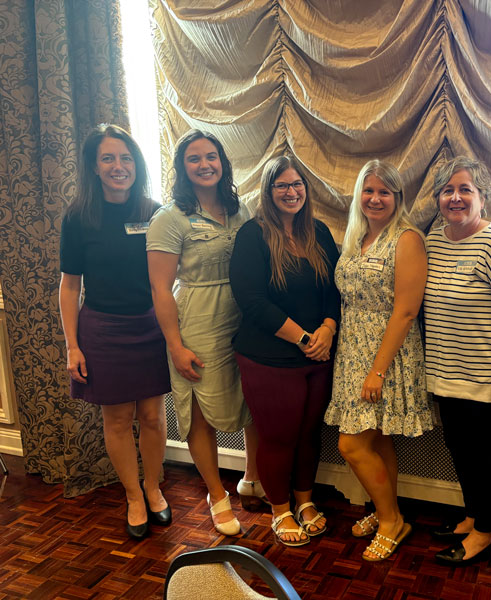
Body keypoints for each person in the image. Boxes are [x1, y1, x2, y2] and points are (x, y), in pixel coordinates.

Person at [59, 124, 172, 540]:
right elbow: (70, 287)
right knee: (120, 420)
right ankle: (133, 497)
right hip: (103, 330)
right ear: (94, 166)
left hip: (149, 325)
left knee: (153, 418)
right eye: (108, 158)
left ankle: (155, 488)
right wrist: (72, 346)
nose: (118, 166)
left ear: (136, 164)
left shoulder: (153, 211)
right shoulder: (78, 217)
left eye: (125, 158)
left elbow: (167, 280)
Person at [147, 130, 261, 536]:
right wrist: (175, 346)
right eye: (194, 159)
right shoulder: (170, 217)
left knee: (251, 400)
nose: (204, 164)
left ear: (223, 162)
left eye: (211, 156)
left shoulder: (239, 208)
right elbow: (160, 289)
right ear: (182, 168)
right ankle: (217, 494)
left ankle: (252, 476)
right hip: (197, 321)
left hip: (243, 317)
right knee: (200, 412)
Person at [423, 156, 491, 566]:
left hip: (489, 380)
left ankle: (484, 531)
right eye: (448, 190)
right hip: (447, 375)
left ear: (482, 197)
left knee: (485, 458)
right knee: (459, 449)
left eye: (465, 189)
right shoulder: (433, 239)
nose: (455, 197)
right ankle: (471, 515)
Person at [229, 156, 340, 546]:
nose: (291, 192)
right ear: (268, 191)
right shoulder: (252, 236)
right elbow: (253, 302)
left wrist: (327, 329)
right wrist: (307, 339)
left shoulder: (320, 233)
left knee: (309, 433)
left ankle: (305, 502)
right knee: (279, 437)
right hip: (269, 358)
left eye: (297, 185)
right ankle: (280, 509)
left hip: (318, 356)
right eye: (282, 186)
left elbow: (334, 289)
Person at [324, 160, 431, 561]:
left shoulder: (406, 238)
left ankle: (391, 522)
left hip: (387, 353)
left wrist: (378, 370)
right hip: (353, 349)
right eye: (368, 191)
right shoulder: (357, 237)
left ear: (397, 197)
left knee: (351, 444)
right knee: (377, 436)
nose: (375, 198)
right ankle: (386, 508)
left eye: (384, 192)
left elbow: (406, 310)